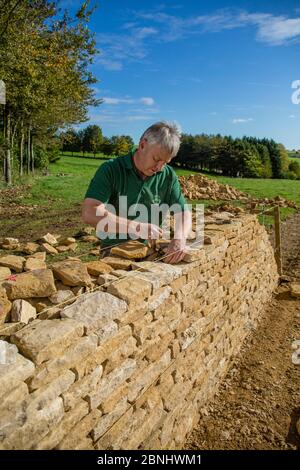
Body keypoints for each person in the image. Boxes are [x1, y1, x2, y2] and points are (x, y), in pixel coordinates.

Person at [82, 121, 192, 264]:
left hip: (151, 251)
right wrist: (136, 227)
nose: (159, 168)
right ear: (142, 145)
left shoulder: (168, 175)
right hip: (115, 252)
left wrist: (180, 237)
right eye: (156, 159)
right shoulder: (111, 169)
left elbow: (183, 212)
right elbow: (90, 212)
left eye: (165, 162)